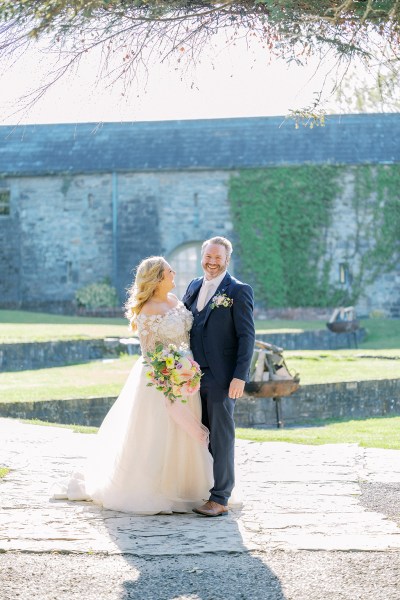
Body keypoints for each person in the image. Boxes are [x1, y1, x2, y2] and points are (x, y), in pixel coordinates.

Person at [54, 256, 213, 514]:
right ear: (158, 278)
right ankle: (155, 488)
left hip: (187, 375)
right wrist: (171, 375)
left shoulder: (176, 301)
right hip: (161, 378)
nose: (174, 273)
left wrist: (186, 371)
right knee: (157, 432)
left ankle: (189, 487)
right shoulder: (147, 310)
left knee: (185, 431)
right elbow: (150, 354)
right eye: (169, 271)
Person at [183, 236, 255, 517]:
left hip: (223, 377)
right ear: (202, 257)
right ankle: (200, 487)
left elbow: (247, 336)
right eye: (208, 257)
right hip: (190, 375)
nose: (212, 263)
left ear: (227, 260)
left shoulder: (238, 290)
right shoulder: (193, 285)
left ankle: (220, 497)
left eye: (218, 258)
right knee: (198, 433)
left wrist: (240, 376)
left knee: (221, 437)